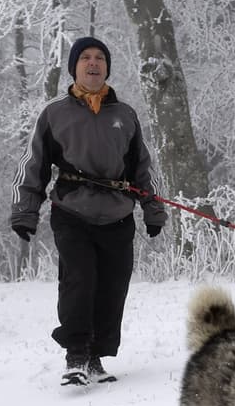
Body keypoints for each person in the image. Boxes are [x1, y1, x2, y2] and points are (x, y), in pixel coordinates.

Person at [10, 36, 167, 386]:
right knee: (79, 280)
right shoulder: (54, 113)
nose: (93, 63)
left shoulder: (125, 115)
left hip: (117, 214)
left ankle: (96, 356)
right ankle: (76, 354)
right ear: (74, 67)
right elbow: (32, 164)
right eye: (85, 58)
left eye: (99, 58)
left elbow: (143, 168)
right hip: (72, 210)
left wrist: (153, 210)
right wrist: (25, 211)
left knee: (113, 286)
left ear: (107, 67)